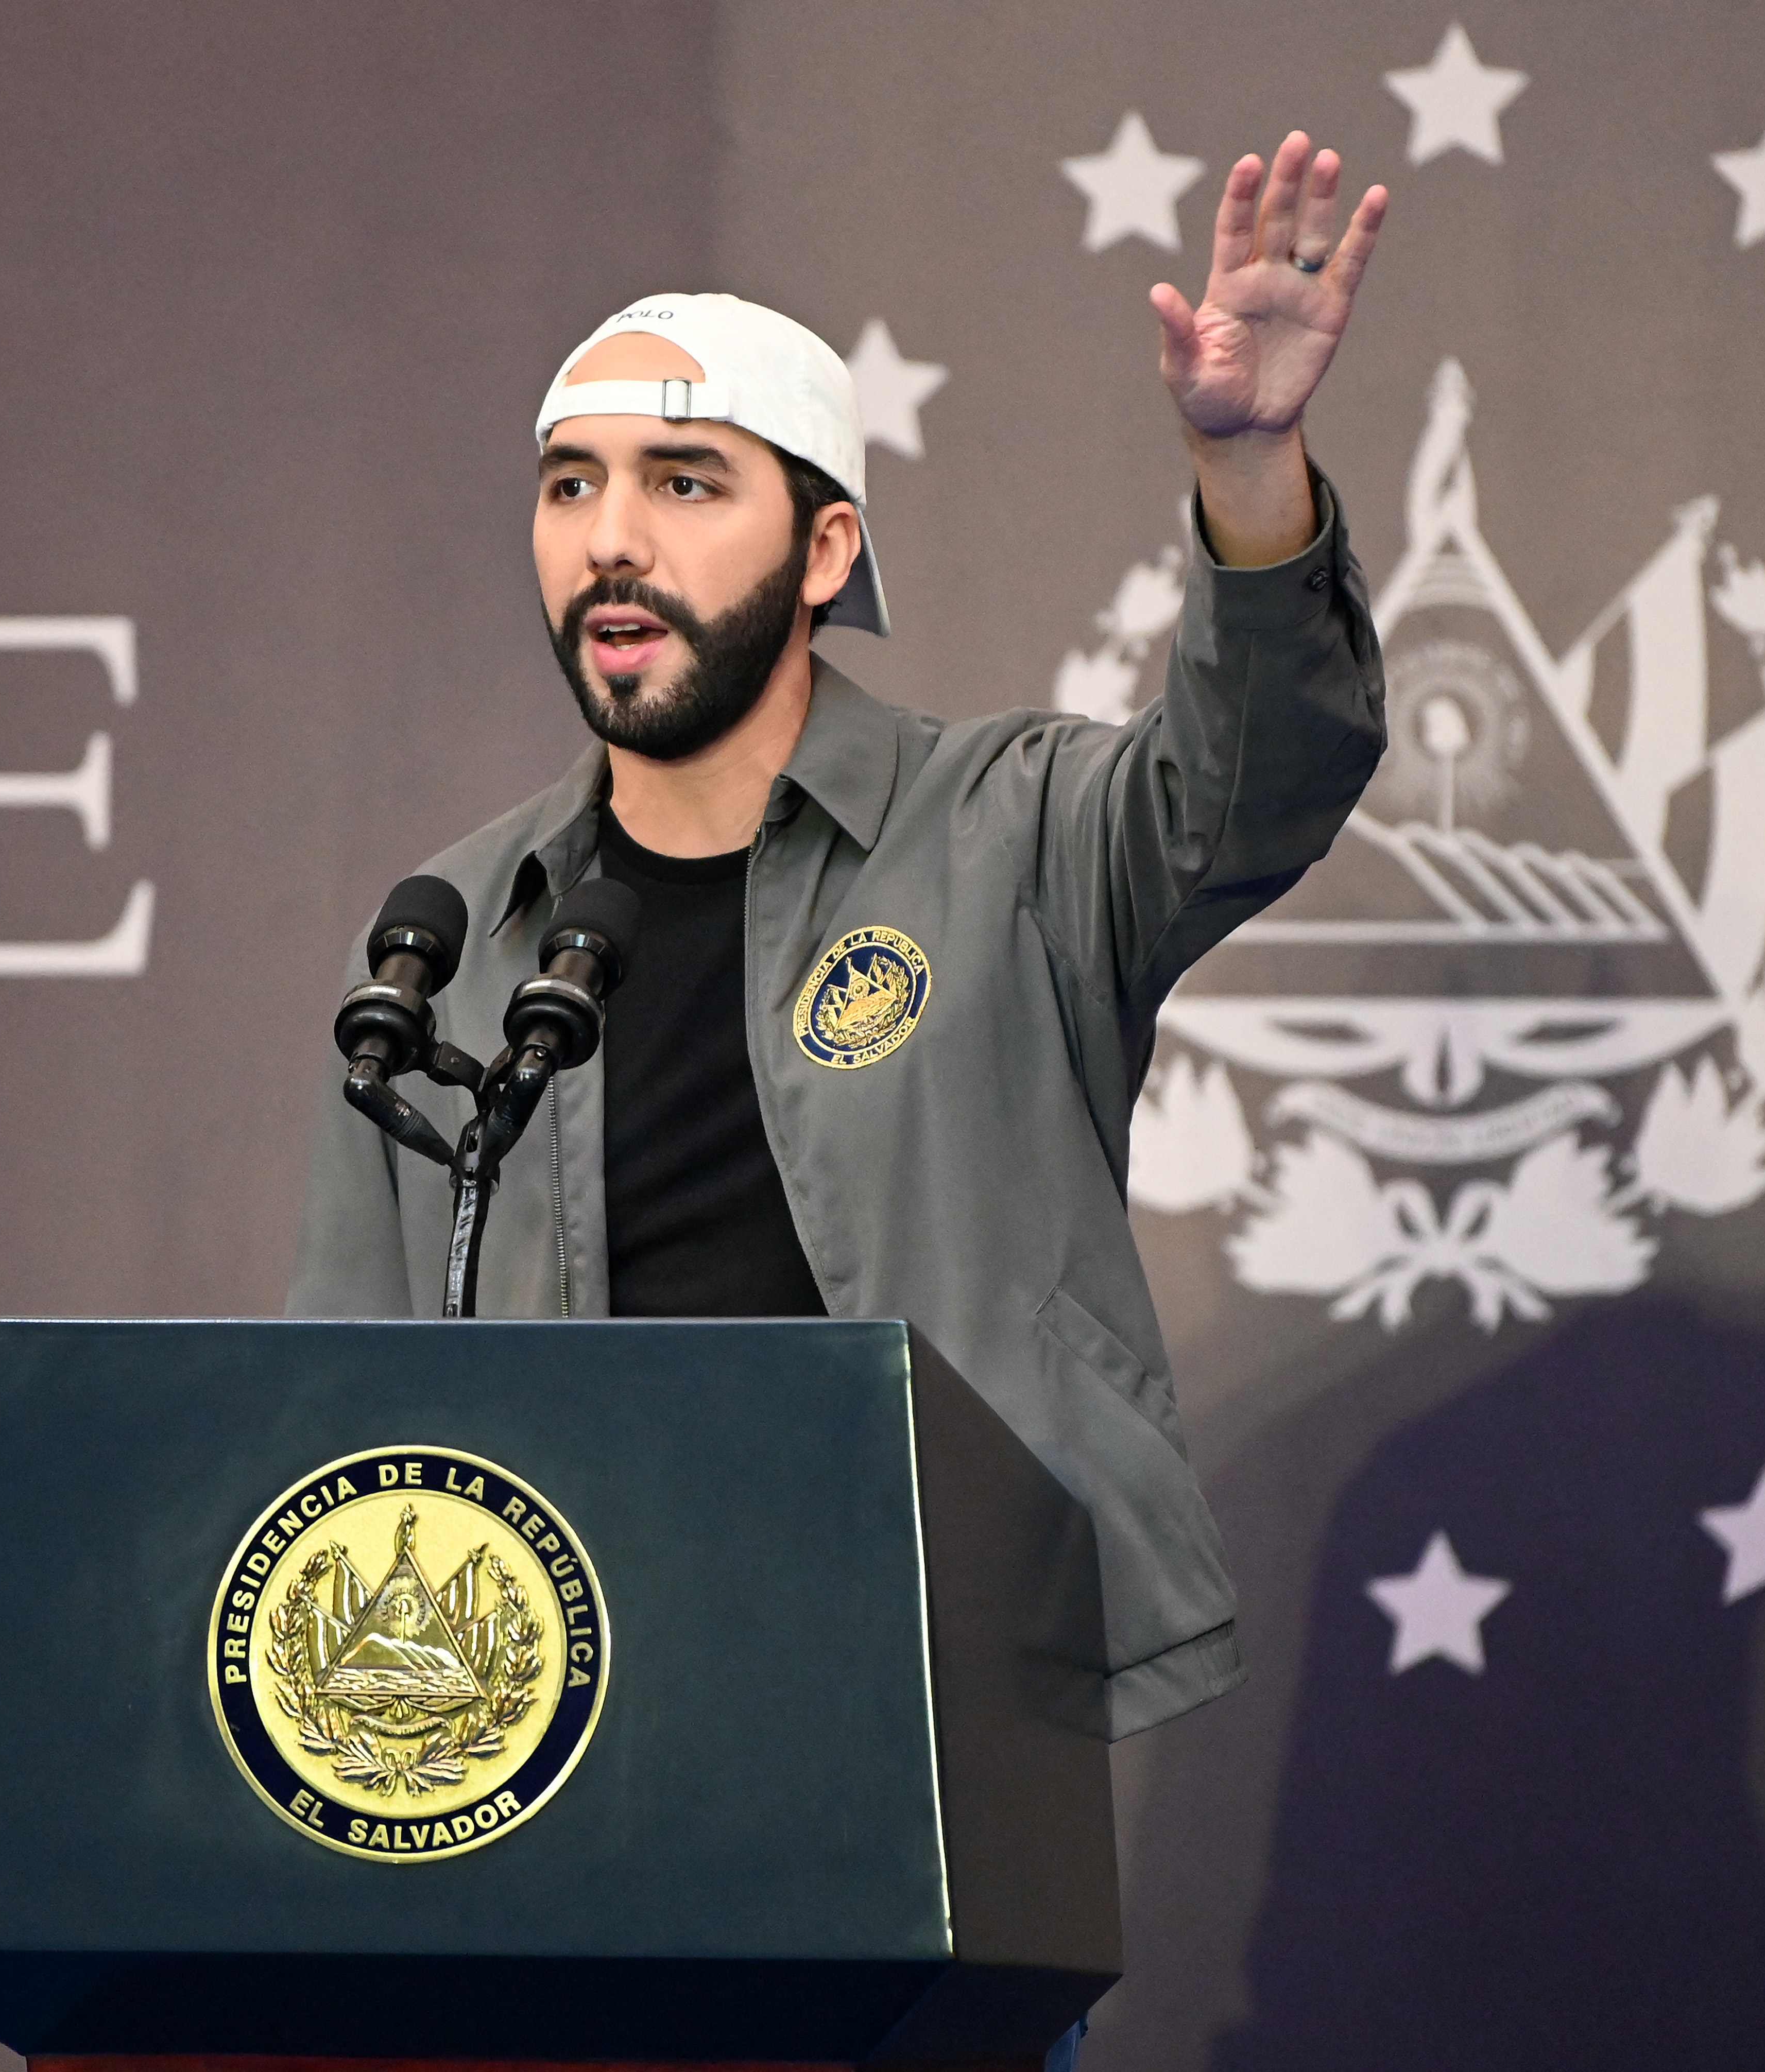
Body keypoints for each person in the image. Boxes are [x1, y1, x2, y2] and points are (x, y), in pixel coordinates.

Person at [292, 131, 1387, 1766]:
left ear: (822, 553)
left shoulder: (1011, 827)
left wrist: (1249, 475)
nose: (611, 539)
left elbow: (1262, 777)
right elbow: (336, 1420)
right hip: (554, 1742)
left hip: (929, 1707)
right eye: (570, 483)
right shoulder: (449, 933)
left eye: (682, 483)